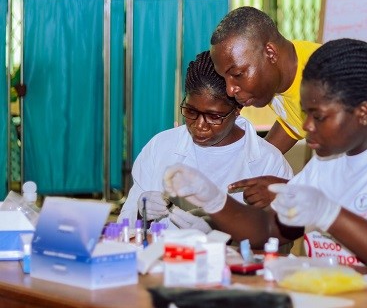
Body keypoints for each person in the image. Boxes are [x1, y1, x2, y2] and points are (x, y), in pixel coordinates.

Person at [165, 39, 367, 276]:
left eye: (318, 116)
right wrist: (215, 202)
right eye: (306, 113)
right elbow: (268, 229)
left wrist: (330, 215)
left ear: (363, 112)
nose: (306, 127)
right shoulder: (327, 163)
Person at [210, 6, 367, 205]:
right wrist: (249, 164)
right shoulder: (281, 75)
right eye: (225, 78)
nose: (231, 88)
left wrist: (290, 190)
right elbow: (290, 122)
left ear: (270, 53)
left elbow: (365, 173)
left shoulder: (327, 83)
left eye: (238, 74)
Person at [117, 51, 293, 230]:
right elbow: (123, 230)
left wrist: (222, 237)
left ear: (238, 108)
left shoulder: (269, 162)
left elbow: (281, 238)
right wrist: (141, 213)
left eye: (214, 116)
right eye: (191, 112)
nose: (199, 125)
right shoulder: (160, 147)